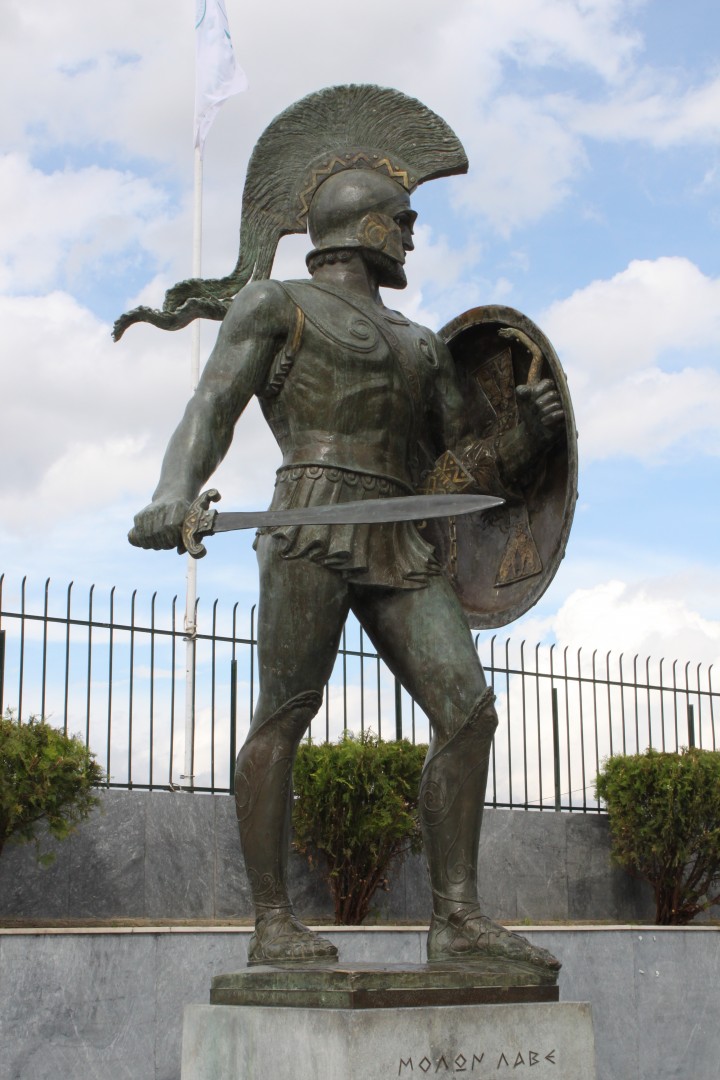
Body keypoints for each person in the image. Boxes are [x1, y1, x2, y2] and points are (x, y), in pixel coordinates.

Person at [123, 86, 563, 972]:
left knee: (468, 711)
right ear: (362, 225)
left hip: (401, 532)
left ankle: (457, 918)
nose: (411, 234)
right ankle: (273, 922)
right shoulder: (274, 305)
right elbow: (212, 406)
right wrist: (174, 491)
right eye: (403, 218)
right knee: (284, 715)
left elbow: (462, 465)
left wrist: (530, 432)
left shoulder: (419, 342)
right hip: (312, 520)